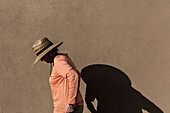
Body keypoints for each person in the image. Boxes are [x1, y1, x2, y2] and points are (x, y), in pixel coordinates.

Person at [32, 37, 84, 113]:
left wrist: (70, 103)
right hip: (68, 107)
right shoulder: (63, 58)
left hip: (66, 109)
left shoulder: (58, 61)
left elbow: (74, 75)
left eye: (42, 57)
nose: (43, 60)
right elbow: (77, 74)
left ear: (48, 53)